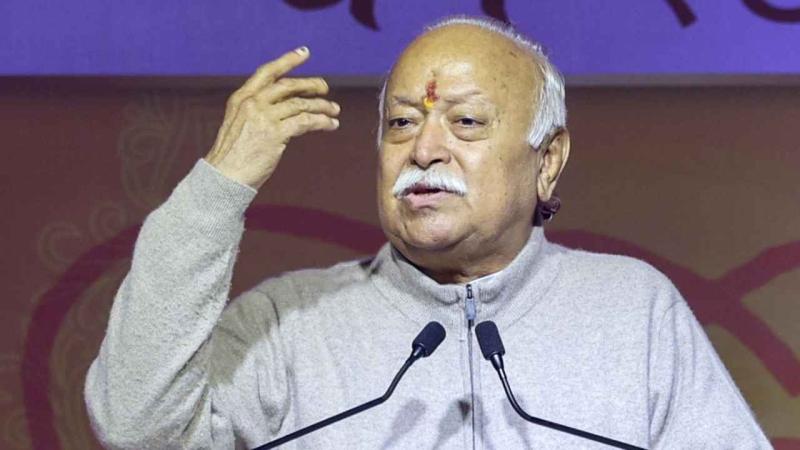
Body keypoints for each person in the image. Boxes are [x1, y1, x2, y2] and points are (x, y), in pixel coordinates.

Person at [84, 16, 771, 449]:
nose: (424, 149)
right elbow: (135, 429)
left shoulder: (632, 310)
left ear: (547, 160)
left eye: (465, 122)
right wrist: (218, 187)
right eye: (402, 123)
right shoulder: (288, 322)